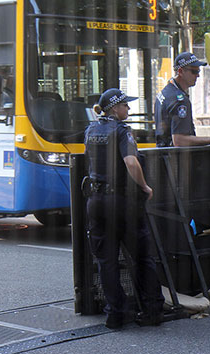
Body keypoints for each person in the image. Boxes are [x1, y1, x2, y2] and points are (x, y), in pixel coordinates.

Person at [84, 88, 165, 329]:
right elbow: (131, 161)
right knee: (141, 256)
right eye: (125, 106)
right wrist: (145, 186)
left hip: (96, 201)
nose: (128, 109)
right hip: (121, 201)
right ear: (114, 108)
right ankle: (151, 310)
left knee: (106, 261)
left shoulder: (91, 130)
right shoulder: (121, 131)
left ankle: (115, 315)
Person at [154, 52, 210, 147]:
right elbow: (179, 141)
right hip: (177, 159)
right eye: (194, 72)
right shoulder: (180, 101)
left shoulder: (165, 92)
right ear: (180, 72)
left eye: (198, 71)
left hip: (163, 155)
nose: (198, 75)